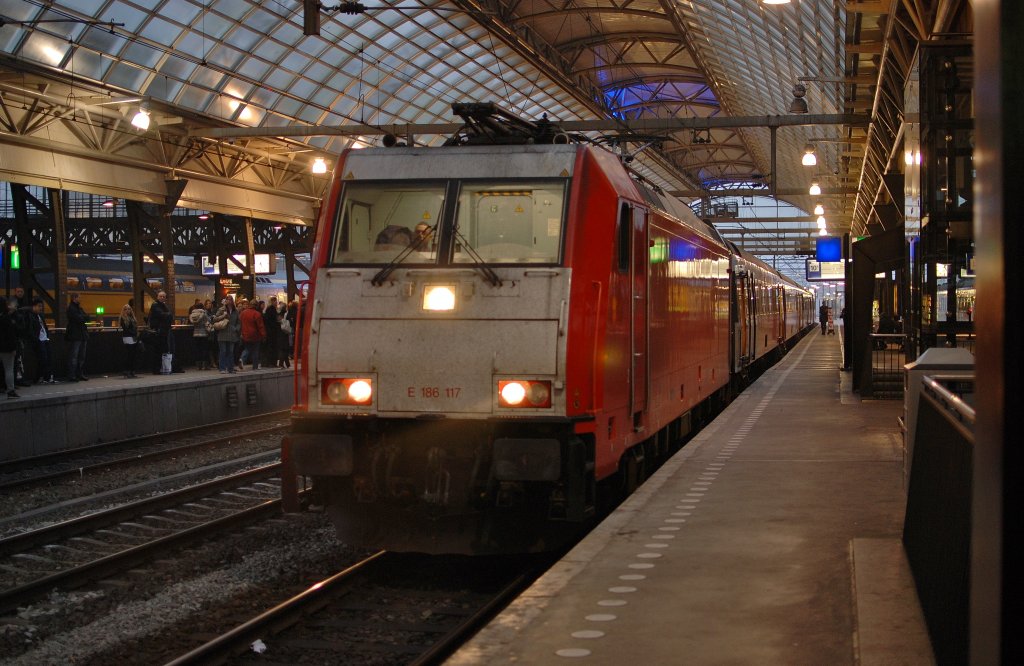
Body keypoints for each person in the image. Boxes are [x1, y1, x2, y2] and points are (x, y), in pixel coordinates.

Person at [28, 298, 55, 384]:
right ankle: (40, 377)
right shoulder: (31, 316)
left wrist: (47, 337)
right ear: (34, 306)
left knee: (48, 358)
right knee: (42, 360)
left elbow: (44, 327)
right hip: (39, 340)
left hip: (44, 339)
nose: (41, 308)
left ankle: (47, 377)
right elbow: (31, 330)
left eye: (41, 306)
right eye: (39, 306)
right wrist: (37, 339)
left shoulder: (40, 315)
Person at [65, 292, 90, 382]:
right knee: (74, 356)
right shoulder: (71, 308)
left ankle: (79, 374)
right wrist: (83, 317)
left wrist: (82, 317)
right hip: (76, 335)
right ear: (74, 298)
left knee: (80, 356)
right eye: (79, 297)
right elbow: (81, 318)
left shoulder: (78, 308)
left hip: (81, 335)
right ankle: (72, 375)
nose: (80, 299)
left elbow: (86, 317)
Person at [213, 296, 240, 374]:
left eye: (231, 300)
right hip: (223, 332)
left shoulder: (235, 311)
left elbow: (238, 322)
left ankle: (230, 368)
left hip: (232, 333)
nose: (229, 301)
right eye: (228, 300)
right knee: (223, 351)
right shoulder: (221, 309)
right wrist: (223, 315)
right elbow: (215, 319)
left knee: (230, 351)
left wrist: (236, 329)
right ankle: (222, 368)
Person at [148, 291, 173, 374]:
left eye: (163, 296)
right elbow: (163, 315)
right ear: (157, 297)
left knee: (162, 350)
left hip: (163, 331)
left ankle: (162, 368)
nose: (162, 298)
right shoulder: (155, 305)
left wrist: (168, 315)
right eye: (160, 296)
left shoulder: (164, 305)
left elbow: (168, 315)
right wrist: (168, 315)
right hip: (158, 331)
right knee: (157, 351)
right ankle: (156, 369)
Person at [11, 286, 30, 388]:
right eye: (18, 291)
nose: (20, 293)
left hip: (22, 334)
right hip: (18, 336)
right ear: (15, 292)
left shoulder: (23, 303)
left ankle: (19, 379)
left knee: (20, 359)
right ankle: (17, 380)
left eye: (21, 291)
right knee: (17, 359)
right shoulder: (14, 302)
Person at [240, 297, 266, 370]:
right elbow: (260, 326)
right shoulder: (257, 314)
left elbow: (240, 323)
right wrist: (263, 335)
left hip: (245, 334)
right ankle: (255, 366)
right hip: (255, 335)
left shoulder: (243, 313)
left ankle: (242, 359)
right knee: (255, 351)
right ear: (256, 306)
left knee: (247, 349)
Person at [0, 297, 19, 398]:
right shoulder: (7, 318)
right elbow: (11, 335)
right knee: (9, 369)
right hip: (6, 348)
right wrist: (13, 348)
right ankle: (10, 390)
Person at [119, 302, 140, 378]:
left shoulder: (132, 318)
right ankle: (127, 371)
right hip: (128, 337)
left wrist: (136, 334)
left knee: (133, 355)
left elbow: (135, 327)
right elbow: (126, 329)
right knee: (129, 355)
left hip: (133, 337)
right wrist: (134, 333)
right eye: (126, 309)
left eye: (129, 309)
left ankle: (132, 371)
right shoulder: (123, 318)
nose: (128, 310)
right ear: (123, 310)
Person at [189, 304, 211, 369]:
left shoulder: (192, 314)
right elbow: (209, 320)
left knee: (197, 349)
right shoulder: (203, 313)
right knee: (204, 349)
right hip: (203, 333)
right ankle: (205, 365)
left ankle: (198, 365)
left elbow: (191, 322)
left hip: (195, 333)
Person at [262, 296, 280, 369]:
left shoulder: (268, 309)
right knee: (272, 347)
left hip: (269, 331)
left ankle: (269, 362)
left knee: (270, 347)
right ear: (272, 302)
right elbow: (273, 320)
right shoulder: (272, 309)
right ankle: (272, 362)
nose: (276, 303)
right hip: (272, 332)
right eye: (275, 301)